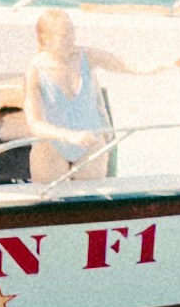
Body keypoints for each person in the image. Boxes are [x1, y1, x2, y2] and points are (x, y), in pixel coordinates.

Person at [26, 10, 116, 189]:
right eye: (64, 35)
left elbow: (124, 65)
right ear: (45, 38)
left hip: (90, 142)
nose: (71, 38)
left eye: (72, 32)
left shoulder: (87, 56)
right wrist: (68, 136)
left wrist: (162, 65)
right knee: (48, 204)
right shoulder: (35, 70)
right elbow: (34, 123)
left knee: (93, 200)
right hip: (52, 145)